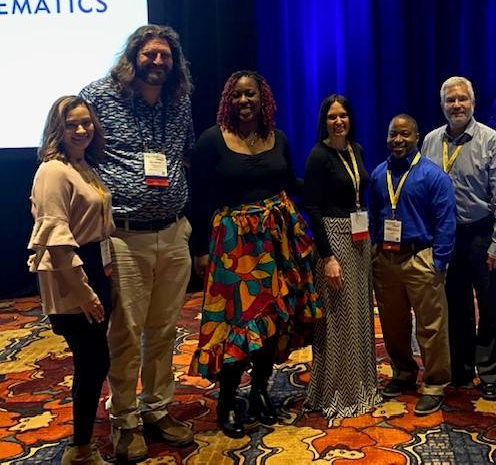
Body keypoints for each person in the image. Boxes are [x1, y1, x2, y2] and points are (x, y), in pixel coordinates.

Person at [79, 25, 195, 461]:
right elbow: (74, 150)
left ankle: (157, 409)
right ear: (133, 56)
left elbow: (182, 154)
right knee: (125, 333)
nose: (158, 62)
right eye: (150, 55)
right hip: (124, 236)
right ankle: (124, 420)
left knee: (164, 330)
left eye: (165, 55)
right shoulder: (98, 96)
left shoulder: (179, 100)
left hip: (173, 230)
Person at [189, 70, 321, 438]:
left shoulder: (276, 138)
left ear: (264, 100)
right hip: (235, 245)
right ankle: (228, 401)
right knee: (237, 323)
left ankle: (261, 391)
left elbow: (289, 182)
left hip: (279, 239)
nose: (244, 101)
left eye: (251, 95)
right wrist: (199, 250)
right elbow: (197, 198)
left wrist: (329, 186)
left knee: (274, 318)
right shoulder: (212, 141)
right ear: (227, 100)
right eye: (237, 96)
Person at [28, 96, 114, 464]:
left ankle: (81, 443)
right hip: (73, 275)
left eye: (86, 122)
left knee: (93, 361)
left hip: (95, 266)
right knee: (93, 361)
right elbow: (57, 242)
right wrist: (84, 292)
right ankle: (79, 449)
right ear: (56, 130)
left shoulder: (82, 165)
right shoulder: (53, 171)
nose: (81, 130)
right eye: (71, 125)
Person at [421, 76, 496, 400]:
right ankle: (460, 370)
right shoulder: (431, 141)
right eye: (451, 100)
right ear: (443, 105)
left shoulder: (492, 141)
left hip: (483, 234)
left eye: (462, 99)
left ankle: (489, 372)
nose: (457, 105)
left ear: (473, 103)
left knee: (491, 308)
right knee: (455, 307)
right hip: (445, 237)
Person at [369, 114, 456, 415]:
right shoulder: (378, 174)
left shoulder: (434, 176)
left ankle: (434, 384)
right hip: (386, 258)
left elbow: (446, 221)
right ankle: (404, 373)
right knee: (393, 325)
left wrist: (439, 261)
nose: (398, 140)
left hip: (422, 257)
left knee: (431, 326)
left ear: (417, 137)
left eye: (405, 134)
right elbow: (371, 216)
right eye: (393, 134)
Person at [303, 94, 381, 419]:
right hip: (334, 241)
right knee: (339, 317)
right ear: (325, 120)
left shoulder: (356, 150)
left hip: (358, 239)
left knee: (360, 312)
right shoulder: (318, 156)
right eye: (333, 117)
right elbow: (313, 208)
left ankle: (362, 384)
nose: (339, 122)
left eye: (343, 116)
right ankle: (339, 391)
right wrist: (328, 257)